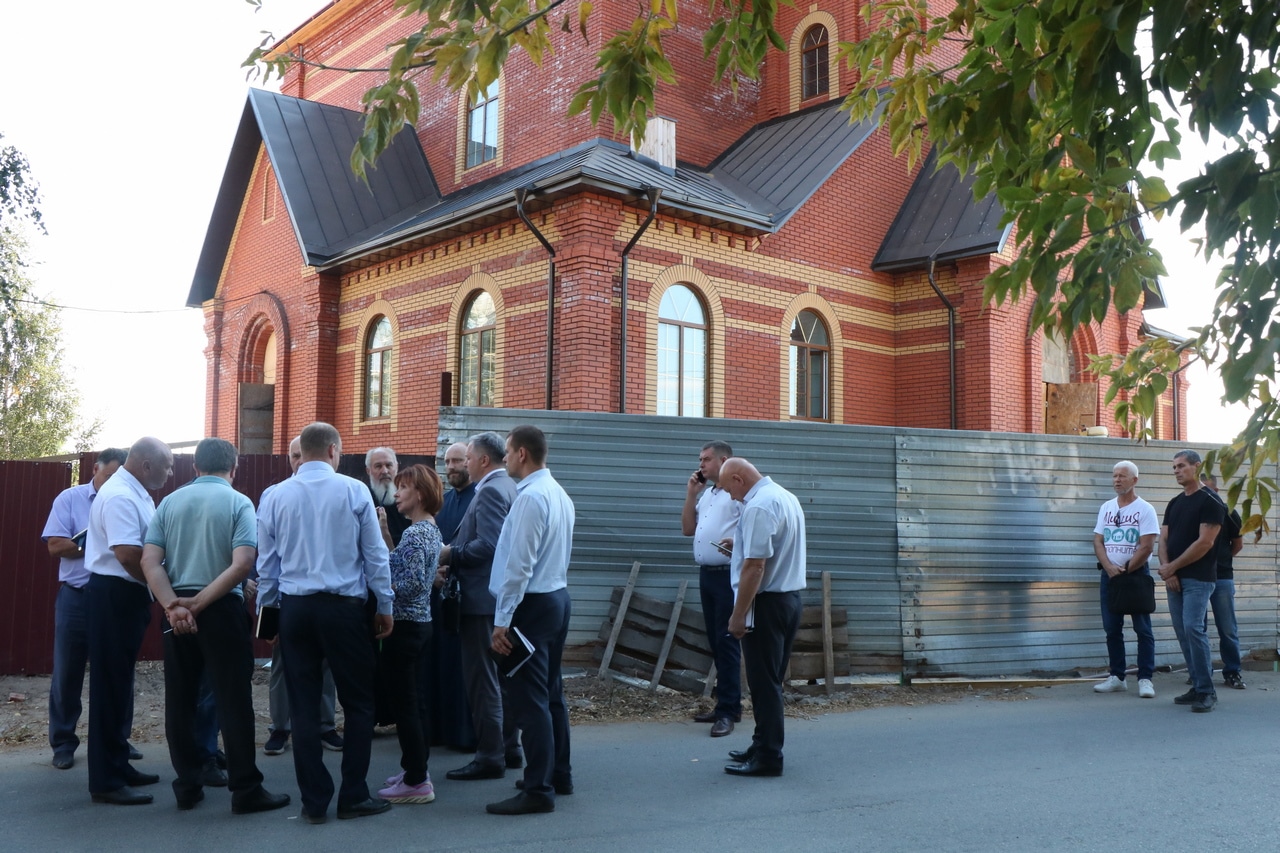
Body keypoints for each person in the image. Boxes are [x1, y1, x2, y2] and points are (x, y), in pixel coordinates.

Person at [139, 438, 290, 814]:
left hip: (176, 607)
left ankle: (187, 786)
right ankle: (245, 790)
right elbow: (242, 565)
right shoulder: (239, 502)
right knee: (233, 700)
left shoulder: (170, 502)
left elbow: (150, 561)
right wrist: (201, 604)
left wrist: (173, 606)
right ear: (233, 468)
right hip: (220, 607)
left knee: (180, 700)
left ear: (195, 468)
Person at [256, 422, 395, 823]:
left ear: (305, 452)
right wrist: (384, 605)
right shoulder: (354, 491)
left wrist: (269, 617)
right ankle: (353, 794)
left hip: (296, 609)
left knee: (302, 705)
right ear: (334, 451)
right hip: (343, 610)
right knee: (358, 703)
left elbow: (268, 566)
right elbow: (375, 556)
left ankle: (314, 802)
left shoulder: (275, 495)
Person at [485, 425, 575, 815]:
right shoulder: (557, 493)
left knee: (531, 700)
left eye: (507, 451)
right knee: (551, 694)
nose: (504, 458)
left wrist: (503, 620)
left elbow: (518, 565)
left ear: (522, 453)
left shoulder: (531, 498)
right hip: (555, 598)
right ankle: (558, 774)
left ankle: (538, 789)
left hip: (532, 605)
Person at [84, 437, 174, 805]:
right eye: (167, 466)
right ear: (147, 465)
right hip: (113, 596)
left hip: (125, 596)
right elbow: (126, 554)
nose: (171, 473)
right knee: (109, 688)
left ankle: (118, 764)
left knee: (120, 686)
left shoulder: (133, 490)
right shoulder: (121, 494)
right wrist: (161, 587)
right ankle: (105, 781)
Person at [441, 432, 521, 781]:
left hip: (480, 601)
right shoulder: (508, 487)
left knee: (483, 680)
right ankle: (509, 747)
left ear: (484, 461)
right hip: (494, 599)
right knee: (501, 678)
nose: (465, 464)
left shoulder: (489, 490)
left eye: (468, 458)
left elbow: (488, 546)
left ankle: (490, 755)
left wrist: (450, 554)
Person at [41, 447, 127, 770]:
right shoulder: (70, 499)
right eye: (108, 476)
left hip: (115, 598)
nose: (111, 484)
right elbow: (55, 545)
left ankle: (118, 741)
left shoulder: (128, 501)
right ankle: (63, 743)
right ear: (95, 469)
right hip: (76, 597)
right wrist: (95, 544)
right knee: (67, 673)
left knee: (118, 674)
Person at [720, 457, 806, 778]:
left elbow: (756, 567)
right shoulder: (784, 496)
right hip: (788, 599)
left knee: (763, 684)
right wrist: (739, 547)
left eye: (729, 489)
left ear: (740, 479)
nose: (731, 497)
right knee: (770, 681)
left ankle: (769, 756)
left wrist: (738, 614)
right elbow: (772, 551)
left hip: (767, 604)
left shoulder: (758, 506)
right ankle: (762, 744)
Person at [262, 437, 343, 756]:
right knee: (282, 664)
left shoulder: (341, 491)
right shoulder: (275, 495)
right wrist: (268, 610)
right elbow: (267, 558)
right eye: (293, 456)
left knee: (326, 664)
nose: (298, 461)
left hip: (329, 595)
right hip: (287, 596)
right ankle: (280, 727)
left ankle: (325, 725)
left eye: (301, 455)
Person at [377, 464, 443, 804]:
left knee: (406, 707)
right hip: (421, 626)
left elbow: (412, 582)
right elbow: (402, 566)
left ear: (419, 494)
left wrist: (381, 588)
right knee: (415, 703)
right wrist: (386, 534)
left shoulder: (416, 534)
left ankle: (417, 782)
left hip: (405, 628)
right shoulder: (428, 529)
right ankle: (416, 770)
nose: (397, 493)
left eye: (402, 488)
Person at [680, 439, 742, 737]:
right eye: (700, 459)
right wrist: (692, 494)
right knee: (716, 642)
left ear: (723, 460)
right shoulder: (709, 495)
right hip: (707, 575)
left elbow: (753, 530)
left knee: (727, 641)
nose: (701, 465)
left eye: (706, 459)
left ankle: (729, 711)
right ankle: (725, 706)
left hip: (728, 576)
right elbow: (688, 529)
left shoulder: (737, 494)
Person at [1157, 450, 1225, 713]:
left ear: (1197, 467)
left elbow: (1205, 542)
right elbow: (1163, 539)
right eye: (1174, 467)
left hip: (1198, 578)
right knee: (1183, 631)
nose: (1176, 470)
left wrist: (1173, 567)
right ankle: (1197, 685)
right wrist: (1169, 571)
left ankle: (1207, 691)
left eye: (1181, 466)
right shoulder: (1174, 503)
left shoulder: (1211, 501)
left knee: (1193, 629)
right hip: (1174, 578)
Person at [425, 440, 477, 752]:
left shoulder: (479, 500)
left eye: (458, 460)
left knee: (462, 670)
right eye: (448, 461)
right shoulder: (442, 503)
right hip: (439, 598)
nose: (453, 466)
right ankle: (438, 731)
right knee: (438, 666)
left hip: (467, 600)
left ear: (470, 462)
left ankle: (464, 734)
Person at [1090, 461, 1159, 699]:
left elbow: (1147, 545)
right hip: (1109, 577)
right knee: (1112, 628)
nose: (1117, 480)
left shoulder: (1145, 509)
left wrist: (1126, 569)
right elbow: (1098, 540)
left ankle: (1145, 679)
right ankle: (1117, 677)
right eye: (1114, 476)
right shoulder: (1106, 507)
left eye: (1122, 476)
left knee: (1143, 629)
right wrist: (1109, 567)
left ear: (1134, 481)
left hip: (1136, 576)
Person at [1201, 473, 1246, 690]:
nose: (1206, 495)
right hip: (1197, 578)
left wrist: (1223, 560)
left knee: (1227, 628)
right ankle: (1201, 674)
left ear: (1217, 491)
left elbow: (1237, 544)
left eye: (1209, 490)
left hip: (1222, 578)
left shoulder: (1229, 513)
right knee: (1198, 628)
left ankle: (1232, 672)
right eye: (1202, 491)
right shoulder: (1193, 511)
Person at [368, 446, 410, 547]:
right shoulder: (363, 498)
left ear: (396, 467)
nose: (385, 471)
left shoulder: (409, 497)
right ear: (368, 470)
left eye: (389, 465)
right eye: (378, 466)